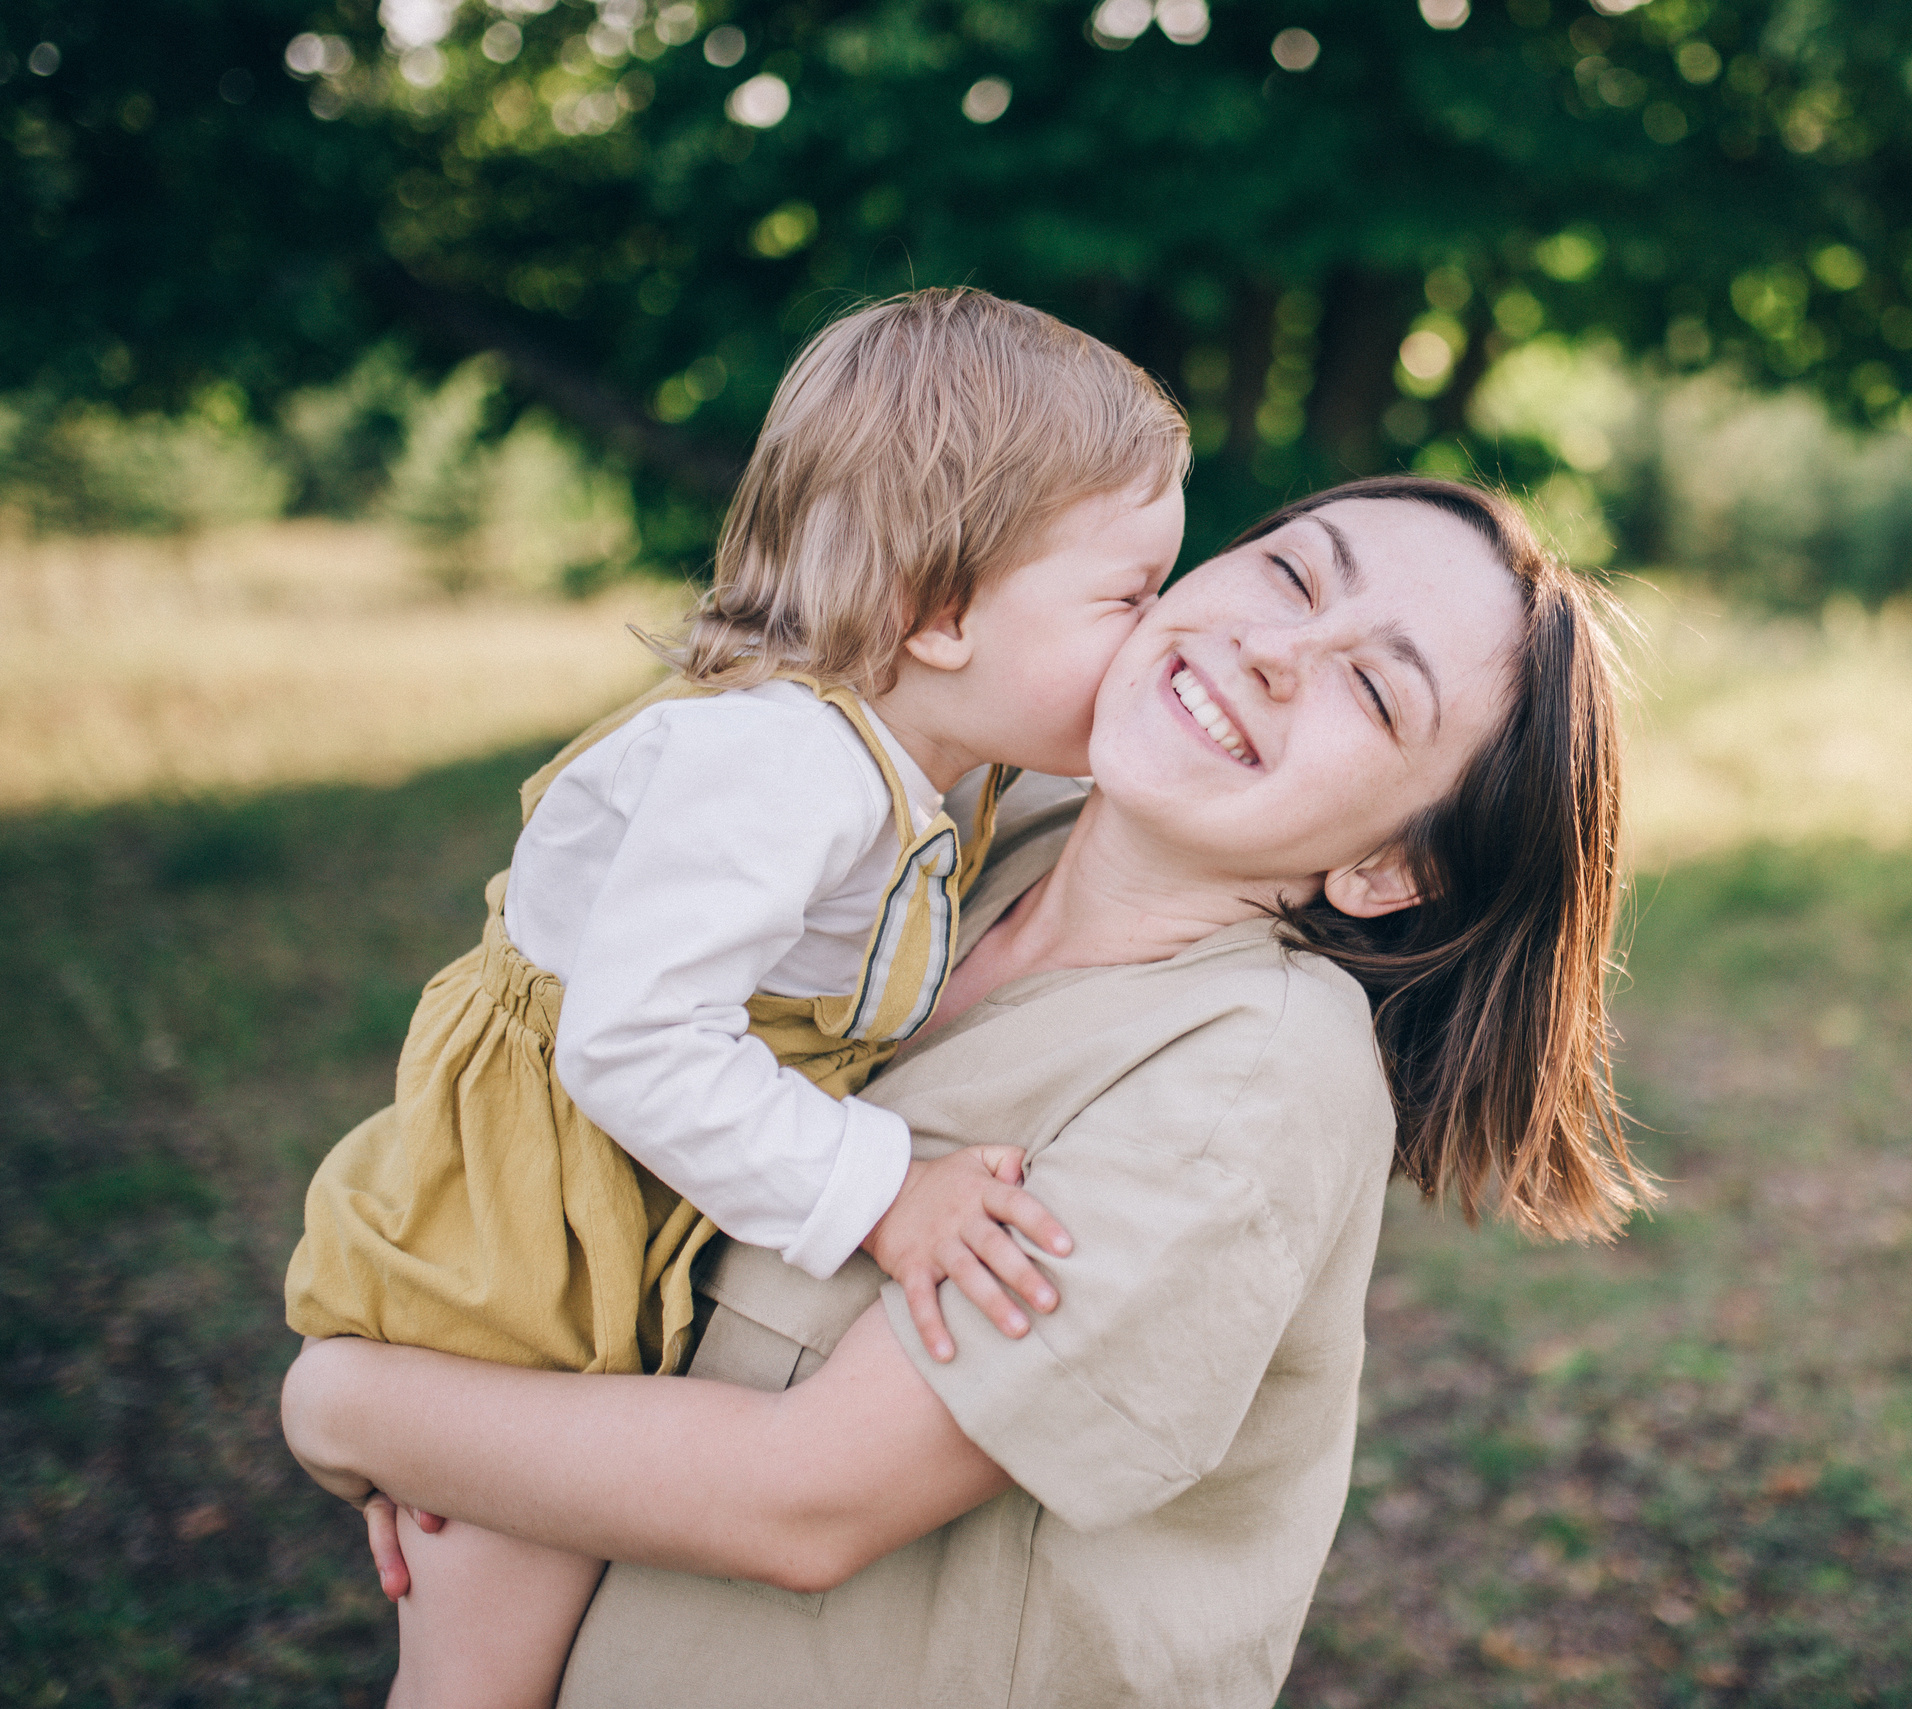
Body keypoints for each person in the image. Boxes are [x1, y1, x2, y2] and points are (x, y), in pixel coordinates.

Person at [283, 475, 1651, 1709]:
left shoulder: (1256, 1075)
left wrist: (354, 1406)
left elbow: (806, 1501)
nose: (1278, 652)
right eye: (1293, 573)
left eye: (1375, 691)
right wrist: (492, 1449)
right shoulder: (956, 826)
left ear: (1388, 872)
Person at [279, 288, 1190, 1705]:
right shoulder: (781, 767)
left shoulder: (936, 747)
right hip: (522, 1250)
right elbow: (633, 1040)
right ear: (940, 613)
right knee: (486, 1674)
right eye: (1129, 597)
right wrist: (888, 1192)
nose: (1156, 635)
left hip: (618, 1214)